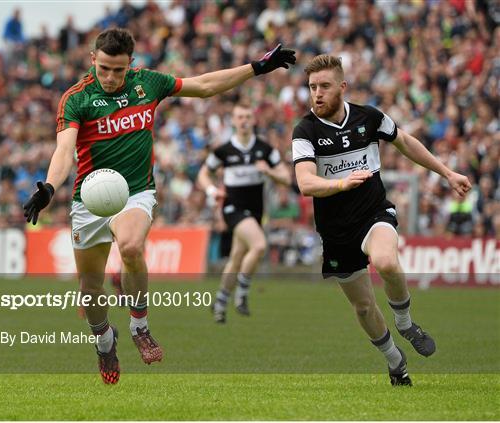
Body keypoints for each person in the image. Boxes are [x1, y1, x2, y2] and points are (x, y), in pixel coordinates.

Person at [23, 28, 295, 384]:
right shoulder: (76, 98)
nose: (109, 77)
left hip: (136, 191)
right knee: (90, 289)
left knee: (133, 247)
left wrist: (257, 68)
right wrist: (48, 188)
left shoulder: (147, 84)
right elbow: (64, 150)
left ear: (130, 65)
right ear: (93, 60)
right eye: (103, 68)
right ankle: (105, 343)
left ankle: (140, 325)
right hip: (90, 198)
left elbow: (205, 85)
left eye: (118, 70)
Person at [292, 55, 471, 386]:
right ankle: (395, 360)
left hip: (373, 213)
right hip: (336, 231)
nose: (317, 93)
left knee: (386, 261)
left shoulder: (369, 117)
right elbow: (305, 183)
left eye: (325, 86)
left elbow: (404, 142)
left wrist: (446, 172)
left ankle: (404, 322)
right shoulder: (305, 130)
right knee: (363, 308)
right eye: (312, 87)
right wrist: (341, 183)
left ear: (342, 87)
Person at [197, 102, 291, 323]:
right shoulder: (223, 150)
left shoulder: (265, 149)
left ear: (254, 120)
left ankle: (220, 302)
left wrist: (268, 171)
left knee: (237, 257)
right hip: (233, 208)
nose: (244, 121)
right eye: (240, 117)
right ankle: (242, 291)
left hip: (256, 210)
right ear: (233, 121)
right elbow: (203, 174)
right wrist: (212, 191)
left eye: (248, 116)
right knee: (258, 245)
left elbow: (286, 178)